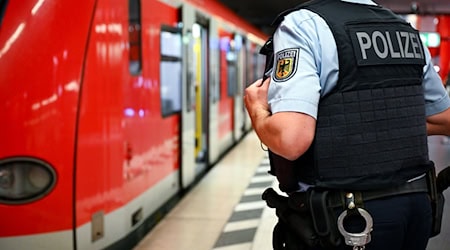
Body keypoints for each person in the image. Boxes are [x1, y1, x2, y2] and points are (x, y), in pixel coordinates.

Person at [244, 0, 450, 249]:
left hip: (348, 220)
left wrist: (256, 109)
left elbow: (291, 139)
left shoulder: (304, 25)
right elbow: (443, 119)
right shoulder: (405, 31)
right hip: (416, 209)